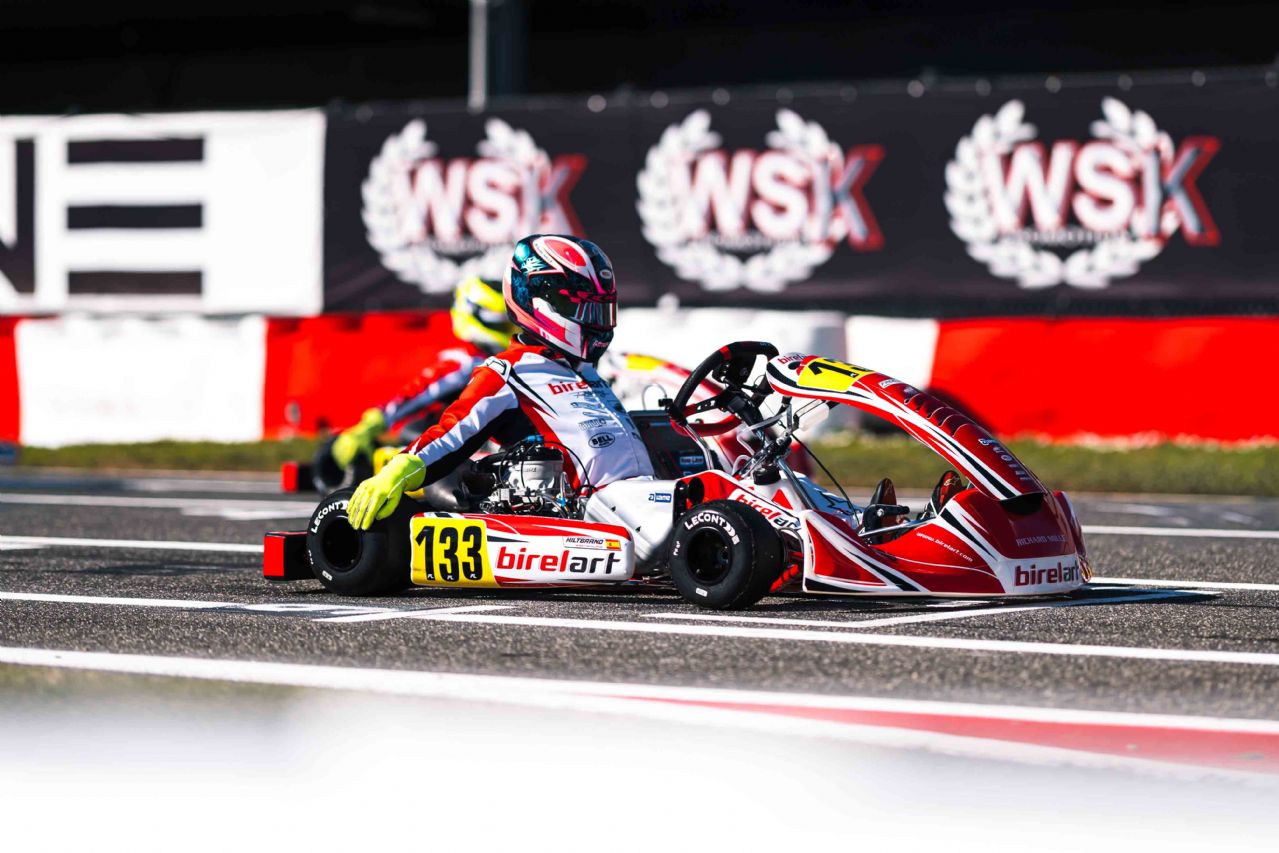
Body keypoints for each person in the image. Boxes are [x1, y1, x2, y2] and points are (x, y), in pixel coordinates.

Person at [347, 235, 655, 530]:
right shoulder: (507, 371)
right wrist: (397, 470)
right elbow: (451, 433)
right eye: (585, 310)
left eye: (602, 310)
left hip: (643, 500)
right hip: (590, 519)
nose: (596, 322)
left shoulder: (587, 371)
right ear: (539, 304)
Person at [328, 276, 516, 471]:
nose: (510, 328)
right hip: (448, 444)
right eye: (502, 322)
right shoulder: (467, 361)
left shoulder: (515, 359)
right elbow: (417, 391)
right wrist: (370, 425)